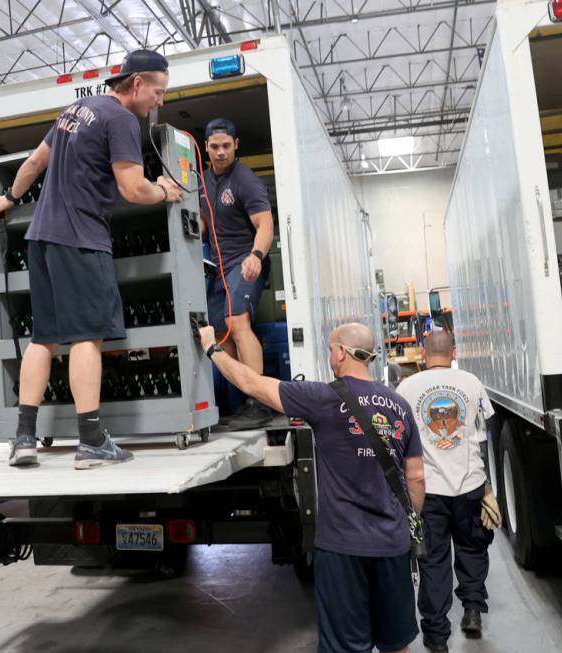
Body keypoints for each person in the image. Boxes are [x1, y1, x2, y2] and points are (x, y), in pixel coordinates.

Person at [0, 49, 182, 469]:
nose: (160, 101)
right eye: (159, 92)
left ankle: (24, 438)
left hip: (41, 238)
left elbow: (36, 162)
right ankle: (91, 438)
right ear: (137, 84)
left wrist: (9, 197)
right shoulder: (122, 120)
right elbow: (132, 189)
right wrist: (164, 190)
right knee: (86, 337)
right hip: (81, 239)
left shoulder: (74, 110)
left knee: (43, 337)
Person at [198, 321, 425, 653]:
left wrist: (211, 347)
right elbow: (416, 477)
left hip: (342, 549)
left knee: (344, 647)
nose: (329, 354)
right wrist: (404, 526)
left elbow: (250, 381)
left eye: (331, 348)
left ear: (341, 353)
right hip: (392, 544)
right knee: (396, 645)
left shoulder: (323, 398)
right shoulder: (399, 405)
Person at [396, 329, 495, 653]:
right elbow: (482, 439)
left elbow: (400, 443)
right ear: (453, 352)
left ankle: (437, 638)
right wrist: (488, 487)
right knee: (472, 547)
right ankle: (472, 611)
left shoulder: (406, 388)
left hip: (429, 490)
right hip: (469, 485)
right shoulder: (472, 383)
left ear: (424, 355)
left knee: (433, 561)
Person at [199, 118, 275, 429]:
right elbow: (205, 225)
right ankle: (246, 396)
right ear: (205, 147)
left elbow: (265, 224)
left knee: (236, 320)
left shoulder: (245, 180)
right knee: (220, 332)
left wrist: (256, 255)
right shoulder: (202, 182)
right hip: (219, 267)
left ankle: (260, 401)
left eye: (226, 146)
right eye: (214, 147)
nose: (220, 152)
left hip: (245, 262)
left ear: (236, 146)